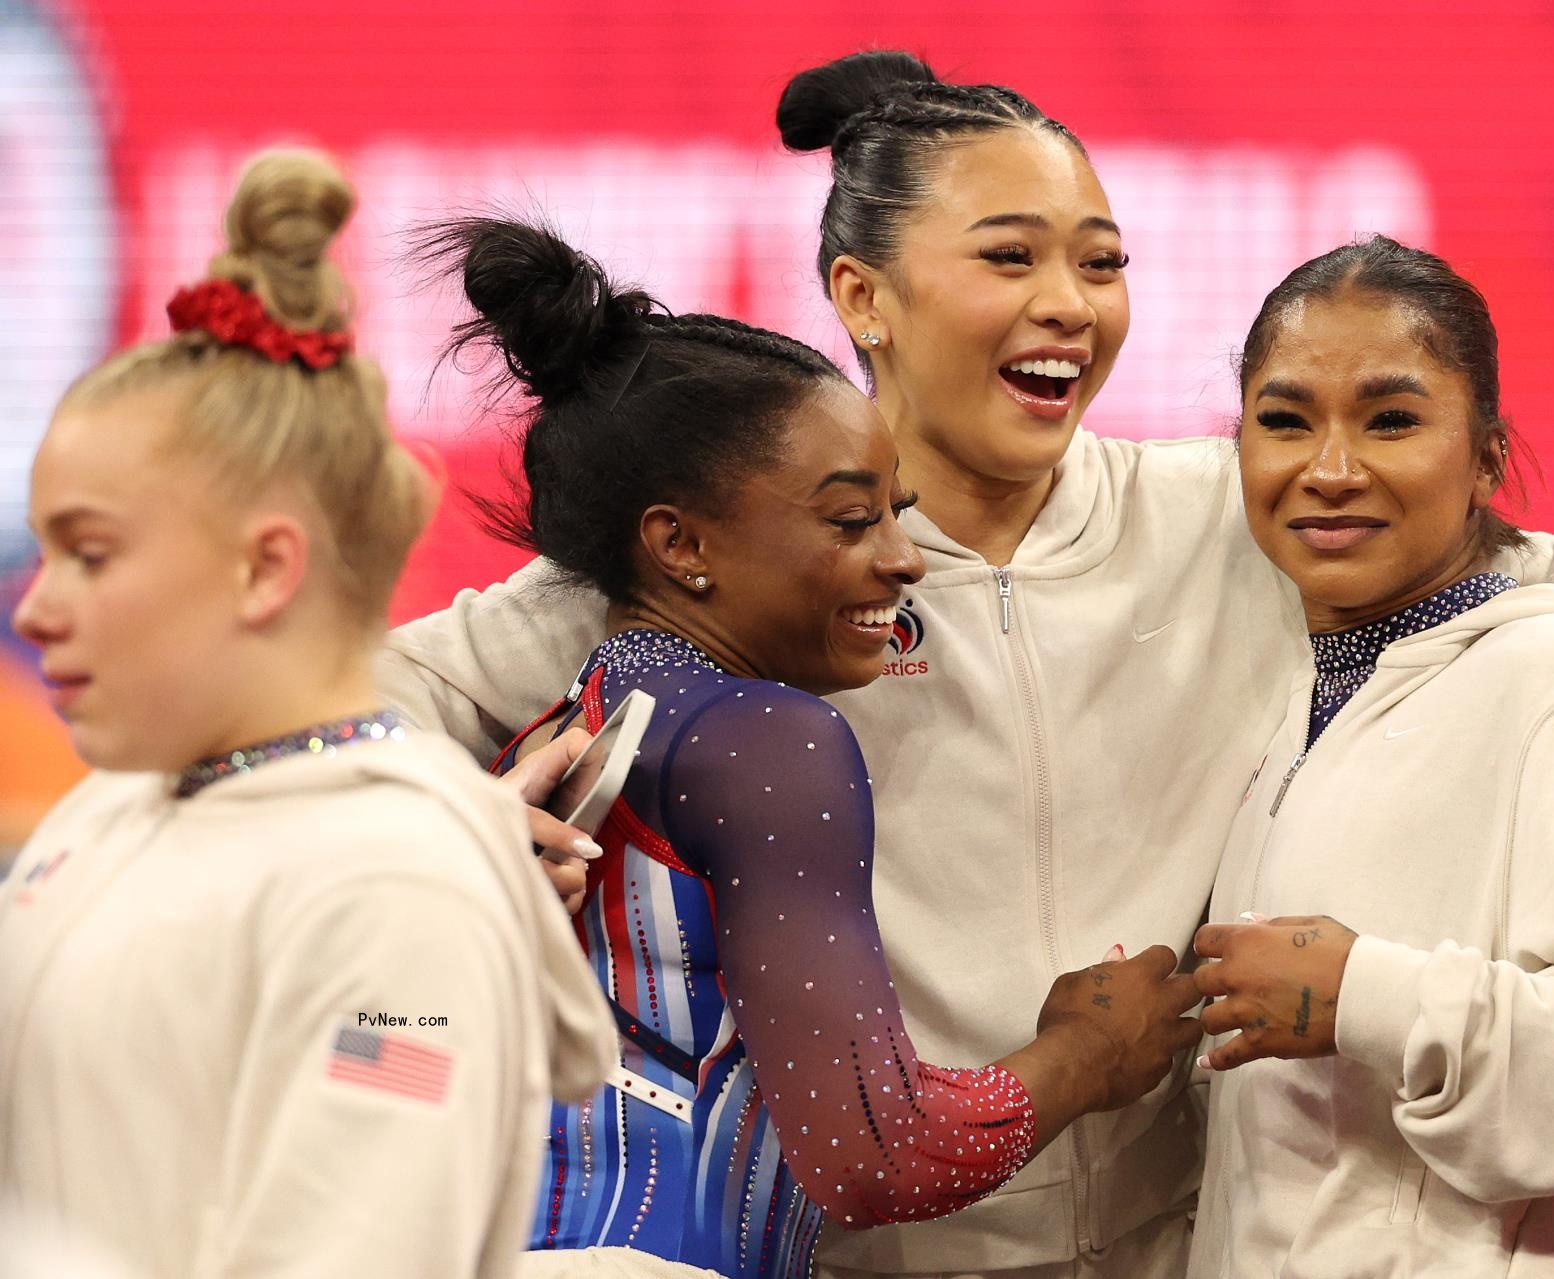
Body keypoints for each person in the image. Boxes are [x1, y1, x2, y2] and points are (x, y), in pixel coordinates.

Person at [378, 53, 1554, 1279]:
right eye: (1009, 256)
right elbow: (369, 706)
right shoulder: (756, 570)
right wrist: (457, 822)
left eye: (1102, 259)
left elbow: (1533, 559)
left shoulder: (1227, 511)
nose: (1071, 301)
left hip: (1182, 1241)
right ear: (862, 296)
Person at [419, 217, 1205, 1279]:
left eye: (899, 514)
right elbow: (877, 1157)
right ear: (680, 544)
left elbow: (389, 1058)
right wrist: (1088, 1055)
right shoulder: (765, 741)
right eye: (849, 523)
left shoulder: (561, 730)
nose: (901, 560)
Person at [0, 150, 616, 1278]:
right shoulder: (114, 805)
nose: (35, 611)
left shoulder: (397, 890)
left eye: (89, 555)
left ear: (264, 567)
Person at [1188, 236, 1554, 1277]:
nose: (1331, 469)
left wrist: (1372, 996)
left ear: (1486, 458)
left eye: (1392, 420)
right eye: (1285, 421)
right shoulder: (1280, 673)